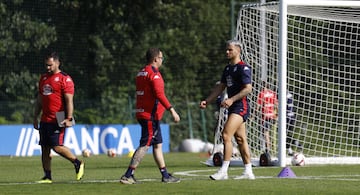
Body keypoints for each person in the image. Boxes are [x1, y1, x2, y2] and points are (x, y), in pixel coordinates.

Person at [120, 48, 181, 184]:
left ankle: (165, 175)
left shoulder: (141, 72)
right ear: (155, 59)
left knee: (157, 144)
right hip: (150, 115)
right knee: (145, 144)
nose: (162, 60)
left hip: (143, 112)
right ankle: (128, 174)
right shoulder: (154, 74)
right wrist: (172, 110)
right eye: (161, 58)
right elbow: (159, 95)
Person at [199, 40, 255, 180]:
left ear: (238, 50)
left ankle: (224, 171)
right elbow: (220, 87)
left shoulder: (244, 68)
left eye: (230, 49)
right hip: (233, 107)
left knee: (225, 135)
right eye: (226, 49)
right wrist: (208, 100)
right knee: (241, 139)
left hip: (240, 106)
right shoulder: (227, 69)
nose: (227, 52)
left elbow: (248, 89)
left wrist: (231, 99)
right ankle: (248, 171)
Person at [33, 51, 84, 183]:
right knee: (44, 148)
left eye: (50, 65)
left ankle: (77, 162)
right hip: (45, 118)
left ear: (57, 63)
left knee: (57, 146)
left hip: (59, 117)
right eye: (46, 65)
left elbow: (69, 101)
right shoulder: (43, 78)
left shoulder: (64, 79)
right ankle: (47, 176)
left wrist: (69, 117)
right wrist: (35, 116)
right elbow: (39, 99)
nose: (47, 68)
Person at [255, 81, 278, 154]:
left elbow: (257, 106)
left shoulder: (262, 94)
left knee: (266, 133)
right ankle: (273, 149)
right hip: (273, 116)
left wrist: (254, 114)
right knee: (272, 133)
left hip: (265, 116)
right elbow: (276, 104)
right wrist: (277, 114)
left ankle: (268, 149)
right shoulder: (272, 93)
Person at [286, 91, 302, 156]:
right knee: (287, 134)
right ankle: (296, 143)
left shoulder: (284, 95)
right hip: (292, 117)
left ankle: (291, 149)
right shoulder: (290, 95)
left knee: (284, 135)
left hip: (287, 117)